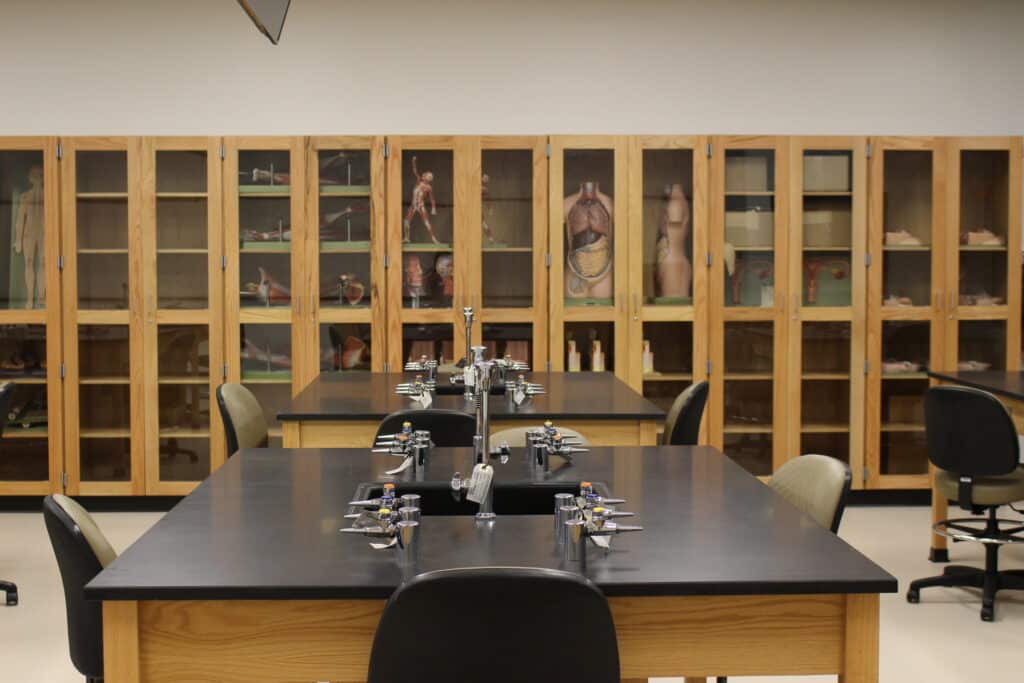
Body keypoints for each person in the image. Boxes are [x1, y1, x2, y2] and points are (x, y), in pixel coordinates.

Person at [13, 165, 45, 309]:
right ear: (30, 178)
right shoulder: (25, 196)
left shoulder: (49, 195)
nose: (37, 178)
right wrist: (18, 240)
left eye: (40, 175)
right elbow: (20, 220)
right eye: (34, 175)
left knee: (43, 264)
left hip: (45, 233)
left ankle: (41, 297)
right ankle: (30, 298)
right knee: (29, 264)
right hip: (28, 234)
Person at [403, 156, 440, 244]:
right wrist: (413, 162)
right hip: (413, 205)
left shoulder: (428, 187)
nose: (426, 176)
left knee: (426, 222)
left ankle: (433, 238)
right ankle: (407, 237)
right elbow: (415, 171)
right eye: (427, 175)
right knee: (406, 221)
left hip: (421, 205)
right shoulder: (419, 181)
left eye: (428, 176)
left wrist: (433, 208)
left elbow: (432, 199)